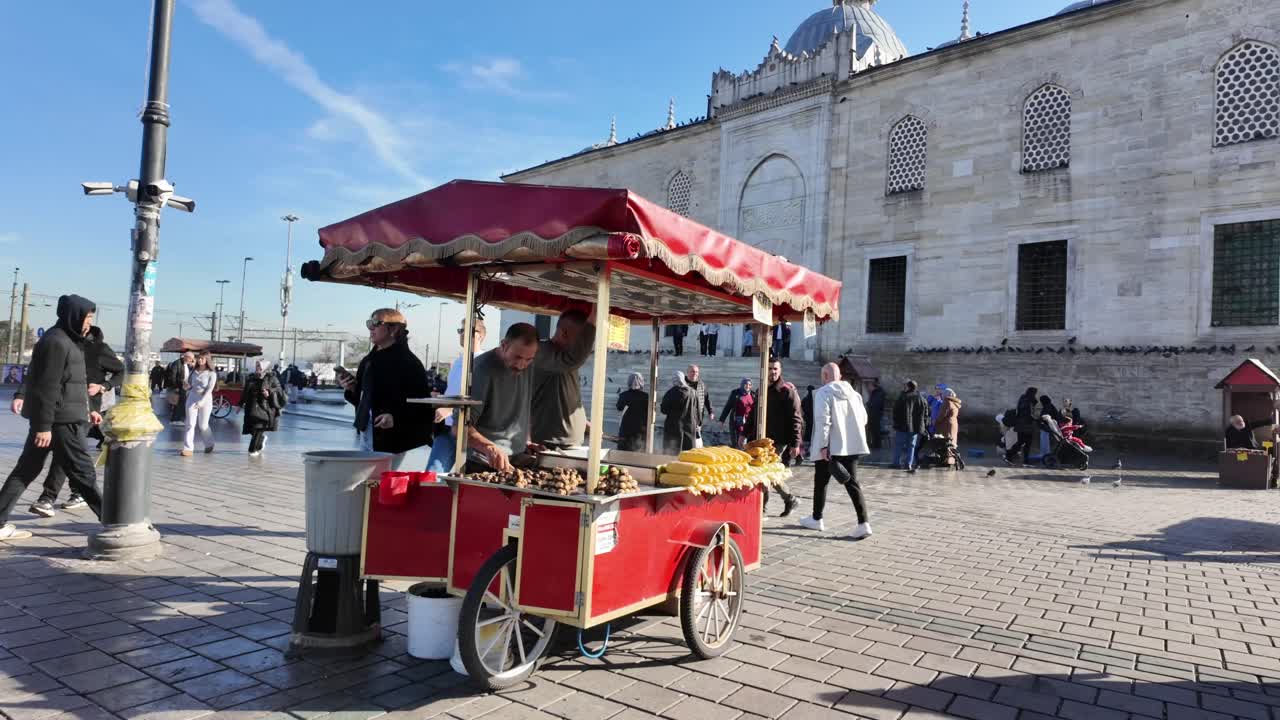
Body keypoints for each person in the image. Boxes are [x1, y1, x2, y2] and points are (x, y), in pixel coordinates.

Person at [0, 295, 105, 542]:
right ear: (73, 316)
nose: (89, 322)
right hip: (60, 421)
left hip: (64, 416)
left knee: (26, 470)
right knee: (83, 472)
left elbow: (71, 383)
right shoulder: (56, 342)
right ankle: (113, 521)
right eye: (87, 317)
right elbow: (47, 387)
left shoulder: (67, 340)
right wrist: (43, 426)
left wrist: (86, 408)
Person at [18, 325, 122, 517]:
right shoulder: (63, 345)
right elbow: (41, 375)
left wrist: (103, 386)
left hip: (86, 410)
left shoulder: (99, 349)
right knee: (60, 457)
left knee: (66, 456)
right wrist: (21, 394)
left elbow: (121, 372)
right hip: (61, 409)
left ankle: (50, 498)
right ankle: (77, 496)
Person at [338, 309, 433, 469]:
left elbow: (422, 403)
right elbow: (363, 398)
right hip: (367, 431)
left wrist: (395, 417)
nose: (370, 328)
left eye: (375, 323)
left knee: (379, 483)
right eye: (369, 323)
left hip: (391, 437)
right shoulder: (369, 360)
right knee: (368, 484)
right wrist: (352, 387)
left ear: (394, 329)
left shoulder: (408, 363)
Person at [800, 363, 872, 538]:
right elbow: (863, 419)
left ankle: (817, 518)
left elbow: (823, 421)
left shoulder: (823, 393)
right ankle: (864, 523)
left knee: (821, 482)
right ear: (839, 376)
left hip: (831, 447)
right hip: (852, 446)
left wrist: (823, 446)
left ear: (825, 376)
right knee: (852, 483)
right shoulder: (855, 394)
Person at [466, 323, 540, 472]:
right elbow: (460, 427)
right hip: (484, 463)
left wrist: (525, 440)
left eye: (528, 359)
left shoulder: (528, 365)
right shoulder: (481, 370)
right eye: (517, 357)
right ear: (504, 345)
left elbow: (521, 406)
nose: (521, 365)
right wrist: (490, 447)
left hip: (519, 456)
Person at [427, 318, 487, 474]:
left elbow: (478, 398)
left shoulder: (484, 363)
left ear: (481, 335)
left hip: (471, 432)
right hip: (447, 429)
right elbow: (453, 394)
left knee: (468, 481)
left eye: (467, 331)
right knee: (431, 475)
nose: (462, 334)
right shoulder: (458, 362)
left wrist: (450, 409)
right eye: (460, 330)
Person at [531, 310, 596, 449]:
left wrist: (583, 421)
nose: (585, 346)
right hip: (549, 444)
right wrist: (595, 315)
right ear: (564, 334)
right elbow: (574, 359)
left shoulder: (563, 358)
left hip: (572, 444)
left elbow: (567, 396)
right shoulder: (542, 352)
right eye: (581, 339)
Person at [750, 360, 800, 516]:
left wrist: (796, 443)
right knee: (764, 471)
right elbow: (753, 414)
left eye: (776, 369)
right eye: (770, 368)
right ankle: (785, 499)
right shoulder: (762, 390)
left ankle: (766, 505)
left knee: (767, 470)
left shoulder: (787, 391)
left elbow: (796, 418)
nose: (773, 371)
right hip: (762, 438)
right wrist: (744, 434)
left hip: (779, 439)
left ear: (780, 370)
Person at [241, 360, 285, 457]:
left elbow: (279, 391)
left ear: (265, 368)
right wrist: (240, 404)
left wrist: (269, 392)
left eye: (260, 367)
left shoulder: (272, 378)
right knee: (252, 429)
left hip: (265, 407)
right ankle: (260, 440)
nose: (258, 369)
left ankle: (252, 450)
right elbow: (245, 391)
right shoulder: (251, 378)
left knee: (259, 427)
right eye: (257, 366)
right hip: (251, 406)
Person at [181, 351, 218, 457]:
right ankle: (188, 448)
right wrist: (186, 386)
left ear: (207, 360)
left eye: (202, 358)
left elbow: (209, 389)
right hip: (192, 397)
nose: (200, 360)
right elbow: (189, 385)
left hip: (205, 399)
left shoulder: (212, 373)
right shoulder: (193, 371)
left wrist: (202, 401)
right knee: (190, 424)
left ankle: (209, 443)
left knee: (203, 425)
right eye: (199, 358)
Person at [892, 380, 929, 472]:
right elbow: (926, 414)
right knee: (911, 446)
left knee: (899, 445)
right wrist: (923, 426)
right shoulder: (922, 398)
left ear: (908, 387)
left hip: (902, 426)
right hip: (916, 428)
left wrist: (896, 422)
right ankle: (908, 464)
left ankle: (896, 463)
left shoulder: (903, 397)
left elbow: (895, 411)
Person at [661, 371, 697, 454]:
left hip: (674, 427)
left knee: (672, 453)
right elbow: (696, 409)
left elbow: (663, 410)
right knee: (687, 454)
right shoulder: (693, 392)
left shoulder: (671, 393)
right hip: (689, 427)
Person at [1005, 387, 1040, 466]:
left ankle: (1009, 455)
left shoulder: (1022, 399)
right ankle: (1024, 459)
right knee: (1027, 444)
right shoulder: (1031, 401)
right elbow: (1032, 415)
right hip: (1028, 426)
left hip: (1020, 425)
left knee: (1020, 442)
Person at [719, 379, 755, 449]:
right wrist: (722, 420)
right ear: (742, 384)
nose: (748, 386)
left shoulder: (753, 395)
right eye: (746, 384)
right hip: (737, 422)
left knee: (747, 444)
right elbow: (728, 407)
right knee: (737, 443)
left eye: (749, 385)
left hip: (748, 423)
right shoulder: (735, 394)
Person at [616, 372, 648, 452]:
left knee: (624, 450)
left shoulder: (624, 395)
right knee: (638, 450)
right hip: (640, 427)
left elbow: (619, 407)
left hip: (626, 427)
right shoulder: (646, 396)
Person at [684, 364, 710, 448]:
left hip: (697, 416)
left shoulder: (701, 385)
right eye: (692, 371)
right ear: (687, 372)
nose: (694, 373)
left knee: (697, 438)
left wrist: (711, 411)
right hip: (685, 416)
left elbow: (706, 398)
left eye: (696, 372)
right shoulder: (683, 384)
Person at [165, 351, 195, 423]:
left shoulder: (186, 364)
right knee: (178, 403)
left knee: (181, 403)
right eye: (191, 359)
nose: (191, 361)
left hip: (184, 386)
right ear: (186, 357)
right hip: (179, 386)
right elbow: (173, 376)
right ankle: (175, 419)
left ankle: (178, 419)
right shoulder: (177, 363)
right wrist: (176, 387)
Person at [866, 379, 886, 450]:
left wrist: (869, 404)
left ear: (874, 386)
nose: (869, 387)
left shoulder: (878, 393)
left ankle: (877, 445)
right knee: (873, 431)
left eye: (870, 386)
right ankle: (875, 444)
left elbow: (875, 404)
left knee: (876, 431)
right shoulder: (875, 393)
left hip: (876, 415)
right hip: (874, 415)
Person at [801, 385, 815, 461]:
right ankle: (810, 451)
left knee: (806, 434)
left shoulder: (805, 399)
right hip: (814, 420)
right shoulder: (816, 399)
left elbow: (802, 406)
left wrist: (805, 414)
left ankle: (806, 451)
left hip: (807, 419)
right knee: (812, 434)